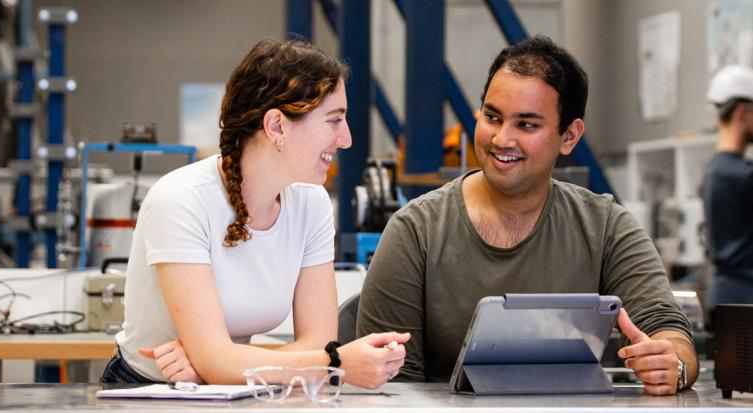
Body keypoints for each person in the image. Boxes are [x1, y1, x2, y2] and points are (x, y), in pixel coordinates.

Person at [356, 35, 698, 395]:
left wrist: (671, 363)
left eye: (527, 124)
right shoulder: (415, 231)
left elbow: (669, 329)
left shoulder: (606, 227)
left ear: (569, 136)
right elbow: (389, 386)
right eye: (492, 117)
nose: (502, 139)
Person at [99, 38, 409, 389]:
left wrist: (221, 365)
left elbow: (313, 345)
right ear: (276, 125)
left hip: (239, 390)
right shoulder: (180, 200)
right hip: (144, 390)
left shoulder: (311, 204)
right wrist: (336, 364)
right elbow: (317, 355)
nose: (346, 139)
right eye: (334, 121)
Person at [703, 65, 753, 308]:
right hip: (746, 298)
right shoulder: (742, 175)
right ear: (742, 113)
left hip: (724, 295)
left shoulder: (715, 169)